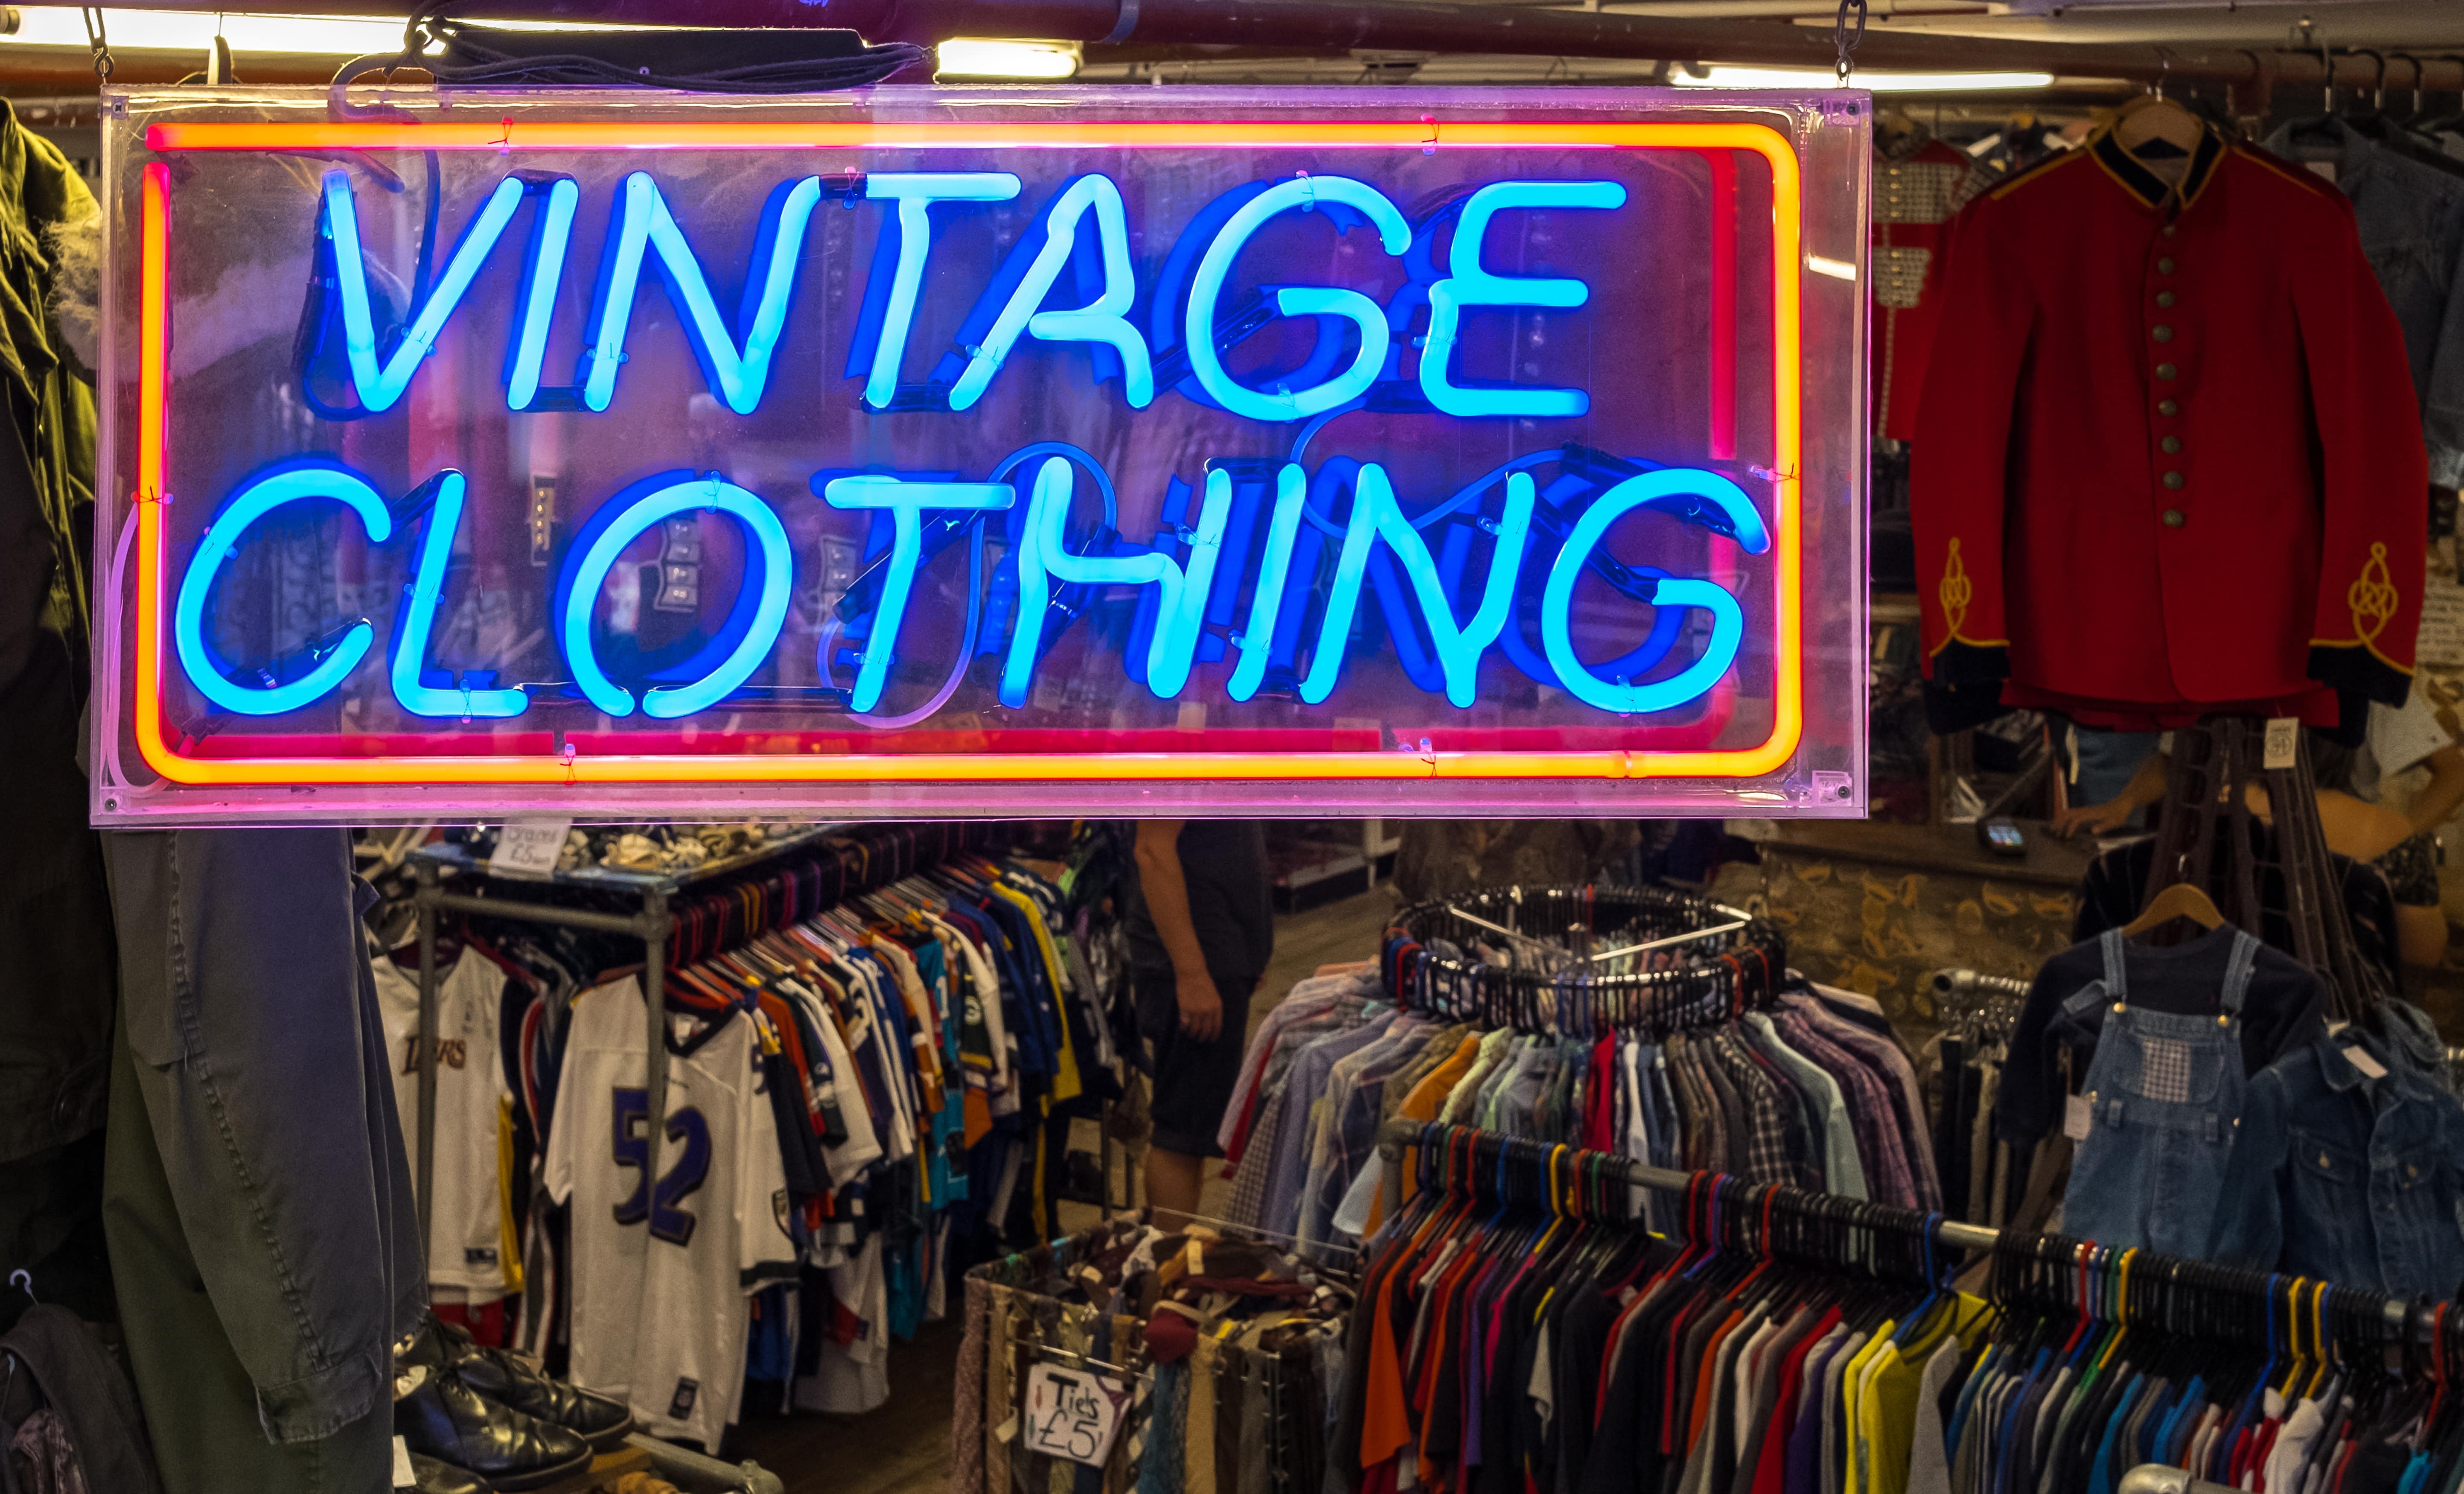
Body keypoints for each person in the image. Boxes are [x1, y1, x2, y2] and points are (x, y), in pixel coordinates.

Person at [1125, 820, 1273, 1230]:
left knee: (1191, 1133)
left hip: (1214, 954)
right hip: (1193, 960)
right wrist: (1192, 973)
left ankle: (1170, 1271)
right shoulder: (1176, 752)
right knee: (1181, 1134)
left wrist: (1247, 949)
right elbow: (1153, 851)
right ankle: (1165, 1276)